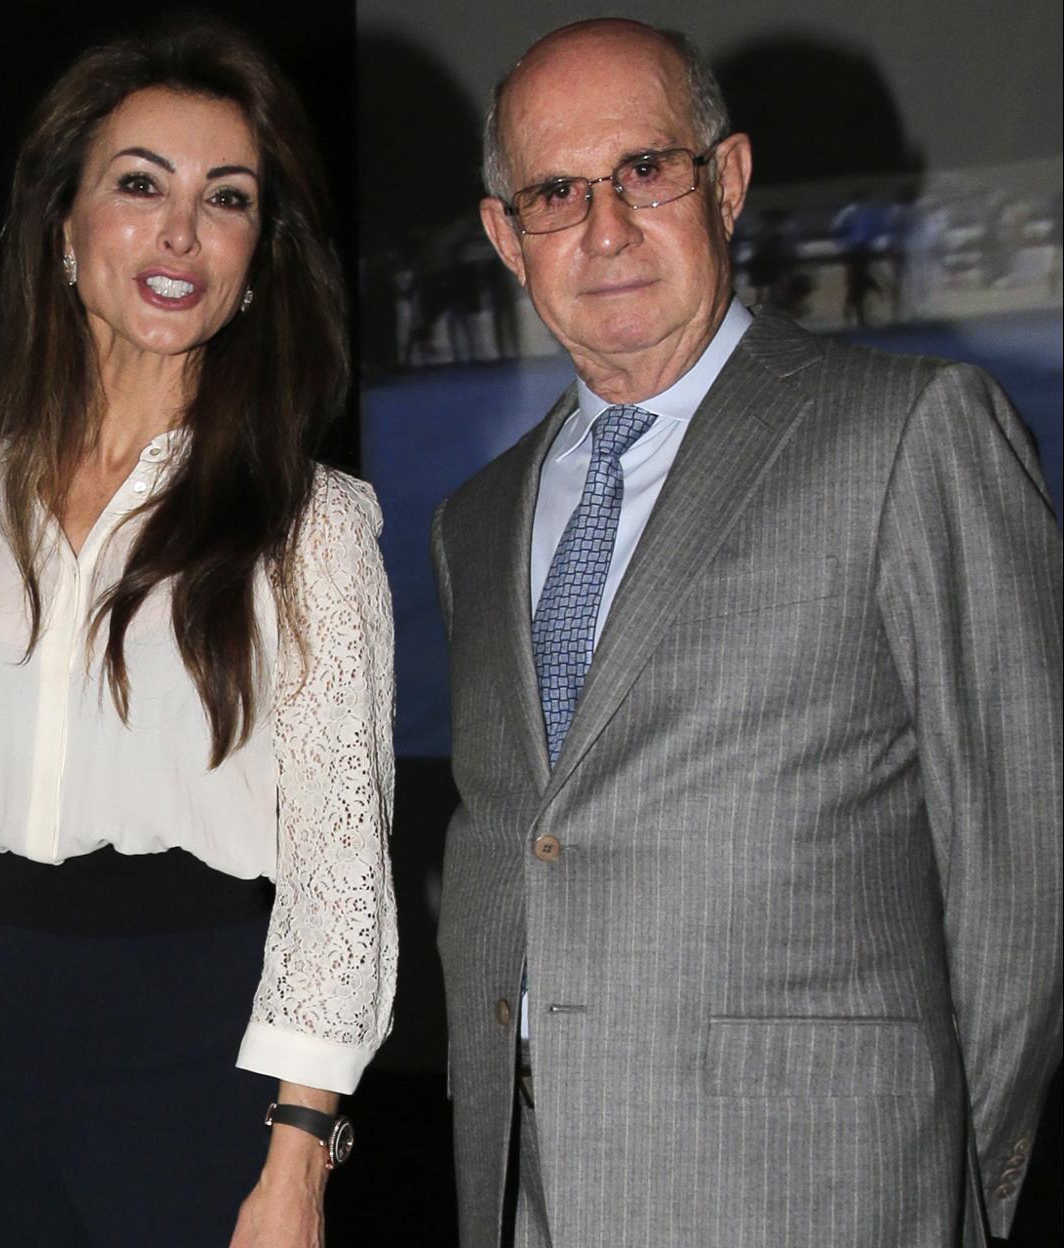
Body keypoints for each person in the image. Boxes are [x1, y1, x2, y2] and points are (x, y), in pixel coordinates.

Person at [431, 19, 1060, 1248]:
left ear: (725, 180)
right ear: (506, 236)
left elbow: (1025, 863)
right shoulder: (477, 517)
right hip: (533, 1196)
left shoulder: (907, 434)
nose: (605, 228)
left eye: (645, 171)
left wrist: (941, 1183)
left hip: (822, 1198)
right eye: (557, 192)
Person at [0, 20, 396, 1248]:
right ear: (64, 227)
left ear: (257, 259)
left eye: (227, 200)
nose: (181, 233)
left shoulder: (310, 525)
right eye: (141, 185)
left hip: (206, 1038)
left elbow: (339, 870)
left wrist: (298, 1159)